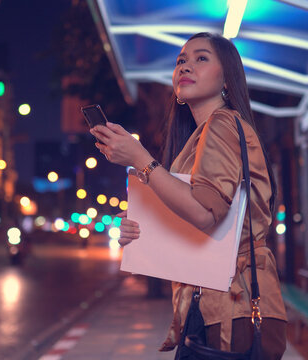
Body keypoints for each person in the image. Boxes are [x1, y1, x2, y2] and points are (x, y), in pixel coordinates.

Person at [90, 32, 287, 358]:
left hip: (233, 310)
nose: (186, 66)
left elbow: (205, 214)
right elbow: (198, 220)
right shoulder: (203, 134)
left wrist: (140, 158)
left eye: (201, 58)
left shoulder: (222, 123)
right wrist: (141, 227)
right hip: (216, 310)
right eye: (181, 60)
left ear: (227, 78)